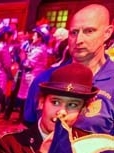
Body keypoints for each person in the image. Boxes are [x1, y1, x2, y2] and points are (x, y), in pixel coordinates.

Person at [24, 4, 114, 134]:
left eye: (89, 31)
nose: (79, 40)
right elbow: (30, 129)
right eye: (74, 32)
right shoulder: (45, 80)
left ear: (107, 33)